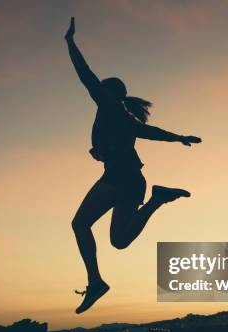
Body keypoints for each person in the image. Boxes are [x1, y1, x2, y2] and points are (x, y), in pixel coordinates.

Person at [66, 18, 201, 314]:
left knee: (80, 224)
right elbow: (152, 132)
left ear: (109, 93)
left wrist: (70, 43)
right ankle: (157, 200)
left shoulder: (111, 106)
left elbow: (85, 75)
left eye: (100, 90)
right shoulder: (125, 117)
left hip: (120, 176)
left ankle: (96, 282)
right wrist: (179, 138)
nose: (96, 92)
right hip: (133, 180)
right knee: (119, 241)